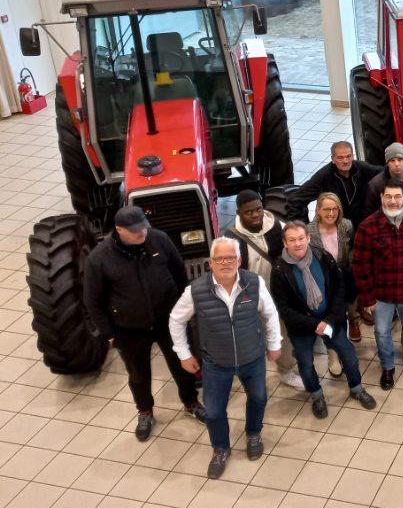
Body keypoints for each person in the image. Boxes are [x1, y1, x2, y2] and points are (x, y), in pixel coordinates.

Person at [83, 206, 203, 441]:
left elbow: (179, 272)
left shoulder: (159, 239)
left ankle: (191, 403)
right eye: (135, 230)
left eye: (143, 227)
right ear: (119, 230)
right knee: (138, 375)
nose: (142, 233)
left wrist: (184, 311)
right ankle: (145, 411)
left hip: (168, 321)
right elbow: (92, 301)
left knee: (183, 364)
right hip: (129, 330)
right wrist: (110, 334)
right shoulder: (99, 259)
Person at [169, 237, 283, 480]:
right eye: (219, 259)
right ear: (210, 263)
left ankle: (253, 434)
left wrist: (274, 344)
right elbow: (176, 320)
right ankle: (220, 448)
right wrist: (184, 354)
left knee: (258, 398)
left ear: (239, 260)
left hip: (252, 357)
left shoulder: (254, 282)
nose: (225, 263)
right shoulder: (195, 290)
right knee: (213, 412)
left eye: (230, 257)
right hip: (215, 362)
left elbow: (270, 314)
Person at [269, 223, 377, 417]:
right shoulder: (279, 270)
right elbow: (284, 308)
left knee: (348, 354)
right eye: (292, 240)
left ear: (308, 238)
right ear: (285, 243)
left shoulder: (323, 257)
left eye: (301, 238)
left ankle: (356, 388)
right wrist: (314, 324)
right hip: (301, 326)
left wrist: (329, 320)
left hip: (329, 320)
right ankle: (317, 395)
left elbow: (339, 290)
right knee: (305, 363)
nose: (297, 243)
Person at [224, 190, 305, 389]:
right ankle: (253, 375)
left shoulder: (277, 226)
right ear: (238, 213)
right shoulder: (230, 238)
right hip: (249, 297)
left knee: (281, 334)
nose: (255, 215)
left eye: (258, 209)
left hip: (278, 294)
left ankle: (285, 371)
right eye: (248, 212)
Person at [352, 179, 403, 389]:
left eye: (397, 196)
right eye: (388, 196)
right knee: (381, 332)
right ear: (381, 197)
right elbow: (360, 265)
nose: (393, 201)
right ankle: (387, 366)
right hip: (381, 295)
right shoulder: (368, 227)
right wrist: (367, 298)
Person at [306, 192, 362, 356]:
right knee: (334, 315)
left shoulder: (346, 225)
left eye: (334, 209)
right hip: (324, 280)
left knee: (348, 304)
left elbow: (352, 248)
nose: (331, 213)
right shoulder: (309, 231)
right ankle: (336, 351)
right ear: (318, 210)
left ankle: (353, 320)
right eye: (326, 209)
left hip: (344, 274)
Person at [288, 140, 382, 229]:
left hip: (361, 223)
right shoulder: (324, 176)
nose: (345, 161)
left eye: (348, 156)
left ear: (353, 156)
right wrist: (303, 229)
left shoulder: (362, 168)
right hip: (335, 226)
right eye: (340, 158)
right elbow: (295, 200)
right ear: (333, 159)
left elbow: (384, 172)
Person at [366, 142, 403, 210]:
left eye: (400, 160)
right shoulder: (376, 185)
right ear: (387, 163)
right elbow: (369, 211)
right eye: (392, 161)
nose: (396, 164)